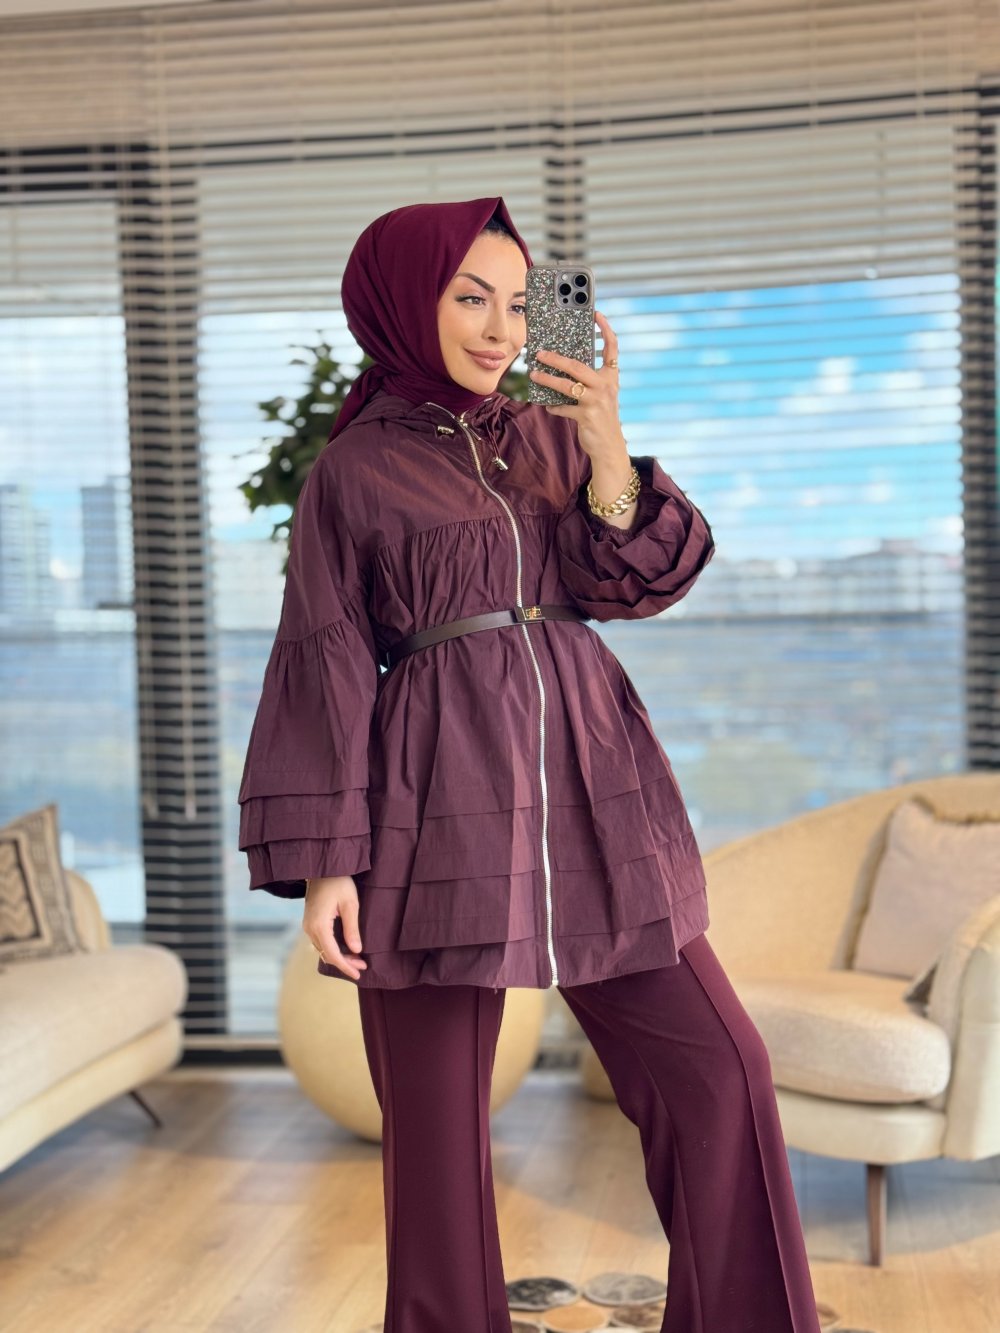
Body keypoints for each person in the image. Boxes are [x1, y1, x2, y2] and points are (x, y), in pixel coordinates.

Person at [237, 196, 823, 1333]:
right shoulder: (352, 472)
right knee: (437, 1141)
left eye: (518, 301)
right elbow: (323, 661)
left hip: (595, 784)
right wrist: (328, 865)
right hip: (431, 800)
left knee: (722, 1074)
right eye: (471, 297)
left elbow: (635, 582)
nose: (502, 328)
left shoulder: (550, 435)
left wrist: (604, 435)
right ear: (405, 302)